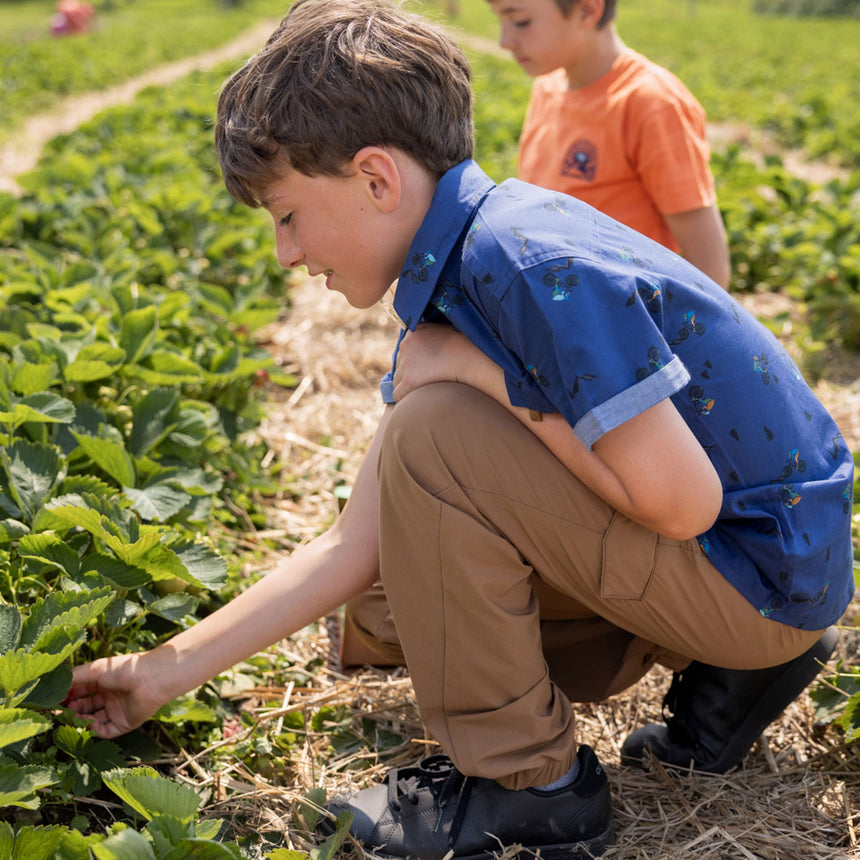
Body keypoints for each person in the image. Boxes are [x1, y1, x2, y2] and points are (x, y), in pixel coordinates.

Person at [66, 2, 854, 858]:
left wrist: (479, 376)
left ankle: (533, 788)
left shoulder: (523, 265)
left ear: (376, 179)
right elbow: (353, 544)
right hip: (761, 563)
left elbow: (682, 502)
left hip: (761, 579)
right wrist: (162, 674)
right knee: (390, 587)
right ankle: (733, 672)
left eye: (288, 215)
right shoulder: (465, 257)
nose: (286, 254)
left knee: (432, 436)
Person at [489, 0, 731, 289]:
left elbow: (709, 264)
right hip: (551, 295)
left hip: (620, 313)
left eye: (520, 22)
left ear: (588, 10)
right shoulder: (546, 88)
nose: (505, 41)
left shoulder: (651, 103)